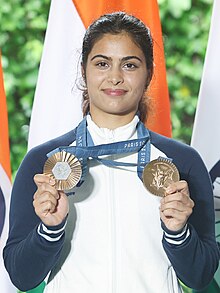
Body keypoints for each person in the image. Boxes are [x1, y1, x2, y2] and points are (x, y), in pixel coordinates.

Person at [3, 12, 219, 293]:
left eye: (129, 65)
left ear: (149, 73)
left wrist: (178, 232)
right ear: (84, 70)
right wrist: (50, 229)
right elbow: (21, 276)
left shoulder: (183, 162)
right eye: (102, 63)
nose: (115, 77)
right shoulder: (43, 162)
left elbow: (200, 276)